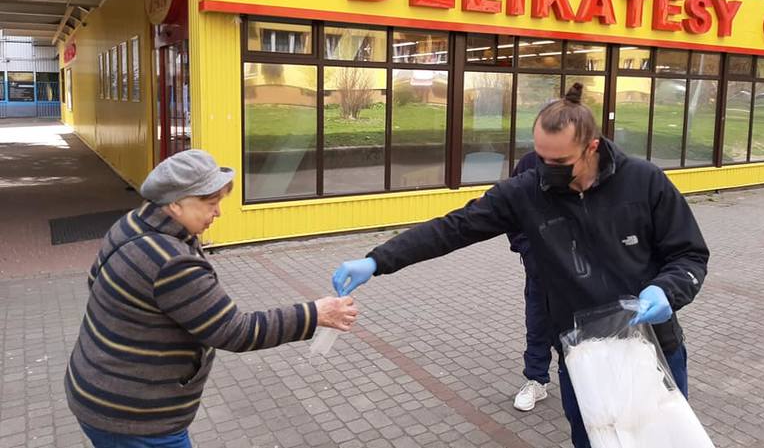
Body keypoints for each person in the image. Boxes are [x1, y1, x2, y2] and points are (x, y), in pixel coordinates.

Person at [332, 84, 709, 448]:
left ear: (592, 147)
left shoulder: (644, 182)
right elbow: (454, 228)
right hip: (584, 355)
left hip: (653, 346)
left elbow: (689, 254)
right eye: (540, 157)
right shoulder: (527, 191)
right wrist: (377, 260)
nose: (547, 169)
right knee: (594, 439)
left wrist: (666, 290)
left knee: (660, 438)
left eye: (559, 162)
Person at [66, 149, 358, 448]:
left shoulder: (132, 224)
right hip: (135, 416)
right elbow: (234, 331)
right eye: (210, 203)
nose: (218, 213)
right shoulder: (170, 261)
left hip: (97, 388)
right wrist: (315, 313)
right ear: (175, 204)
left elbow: (94, 279)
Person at [507, 150, 555, 412]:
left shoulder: (592, 164)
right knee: (538, 325)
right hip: (540, 270)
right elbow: (512, 212)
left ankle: (586, 384)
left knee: (584, 332)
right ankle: (536, 380)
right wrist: (528, 249)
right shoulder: (529, 163)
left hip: (583, 274)